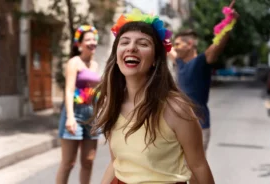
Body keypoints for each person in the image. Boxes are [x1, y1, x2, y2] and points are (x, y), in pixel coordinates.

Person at [91, 9, 214, 184]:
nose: (131, 47)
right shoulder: (112, 103)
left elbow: (199, 166)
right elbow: (115, 162)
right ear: (116, 56)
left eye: (143, 43)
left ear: (156, 58)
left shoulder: (176, 109)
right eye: (124, 42)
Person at [168, 5, 239, 152]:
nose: (174, 47)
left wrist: (230, 22)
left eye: (178, 44)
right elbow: (166, 48)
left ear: (190, 44)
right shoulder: (180, 63)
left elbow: (217, 45)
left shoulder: (201, 61)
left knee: (195, 171)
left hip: (199, 127)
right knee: (179, 171)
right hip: (179, 127)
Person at [56, 25, 100, 184]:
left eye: (94, 39)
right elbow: (68, 90)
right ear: (79, 44)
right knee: (68, 163)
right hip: (75, 112)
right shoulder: (74, 62)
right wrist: (70, 117)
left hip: (92, 114)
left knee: (88, 161)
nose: (92, 42)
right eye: (88, 39)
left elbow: (95, 91)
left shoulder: (95, 65)